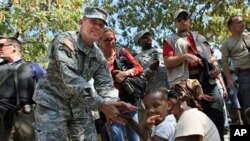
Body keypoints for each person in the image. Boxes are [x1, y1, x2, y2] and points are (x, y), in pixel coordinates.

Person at [32, 7, 136, 141]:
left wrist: (114, 103)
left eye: (101, 25)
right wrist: (102, 105)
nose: (98, 27)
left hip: (80, 106)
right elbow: (71, 79)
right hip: (52, 104)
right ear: (81, 23)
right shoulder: (65, 40)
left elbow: (105, 85)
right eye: (93, 22)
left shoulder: (98, 56)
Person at [163, 9, 225, 140]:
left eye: (185, 18)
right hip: (186, 84)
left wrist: (216, 66)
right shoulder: (170, 40)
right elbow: (167, 62)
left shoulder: (200, 37)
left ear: (189, 20)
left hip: (208, 80)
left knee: (217, 113)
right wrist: (185, 57)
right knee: (191, 117)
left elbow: (211, 57)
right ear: (175, 24)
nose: (183, 22)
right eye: (179, 20)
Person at [98, 27, 142, 141]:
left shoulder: (122, 52)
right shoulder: (97, 59)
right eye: (106, 40)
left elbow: (139, 68)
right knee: (117, 136)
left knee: (134, 136)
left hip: (128, 99)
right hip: (111, 103)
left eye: (112, 39)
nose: (110, 42)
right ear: (99, 42)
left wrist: (125, 73)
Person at [0, 33, 45, 141]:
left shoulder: (32, 66)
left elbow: (48, 90)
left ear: (14, 47)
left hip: (27, 116)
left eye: (1, 46)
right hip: (2, 118)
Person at [221, 15, 250, 124]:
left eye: (243, 21)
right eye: (239, 22)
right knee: (248, 106)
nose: (242, 23)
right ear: (231, 27)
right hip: (244, 75)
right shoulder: (227, 43)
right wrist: (229, 79)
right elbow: (224, 62)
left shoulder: (248, 36)